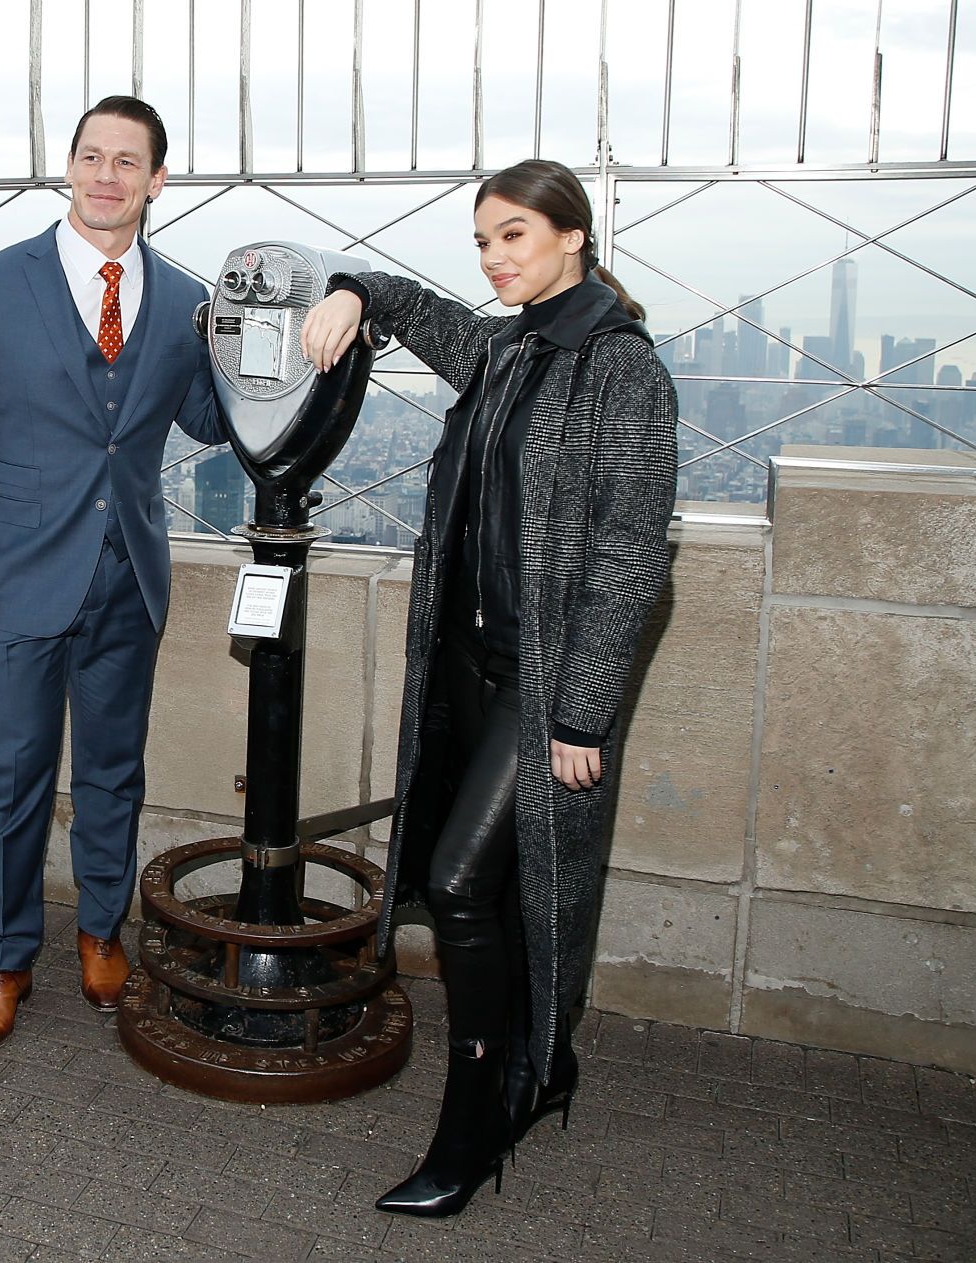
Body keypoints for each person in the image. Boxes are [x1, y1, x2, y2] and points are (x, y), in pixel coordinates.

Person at [300, 158, 676, 1216]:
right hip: (468, 666)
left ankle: (469, 1136)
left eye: (513, 236)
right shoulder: (505, 348)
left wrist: (581, 709)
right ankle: (532, 1069)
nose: (493, 258)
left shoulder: (617, 367)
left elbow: (632, 554)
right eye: (481, 241)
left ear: (573, 236)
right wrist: (352, 289)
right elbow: (416, 310)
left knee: (463, 884)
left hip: (545, 678)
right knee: (498, 893)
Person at [0, 96, 226, 1055]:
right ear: (69, 168)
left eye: (127, 161)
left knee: (112, 771)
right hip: (9, 576)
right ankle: (4, 960)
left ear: (156, 180)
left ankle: (99, 932)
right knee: (13, 775)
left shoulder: (183, 298)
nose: (105, 175)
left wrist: (297, 350)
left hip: (130, 575)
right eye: (91, 156)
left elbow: (212, 422)